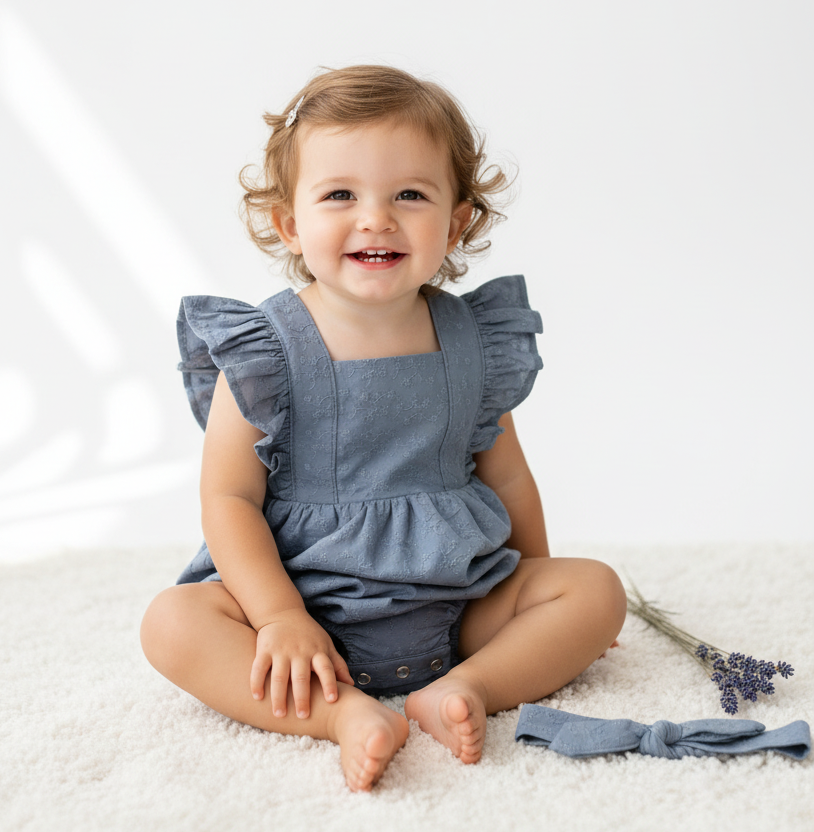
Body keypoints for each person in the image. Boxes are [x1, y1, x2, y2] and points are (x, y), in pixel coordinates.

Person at [140, 65, 626, 792]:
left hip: (457, 607)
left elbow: (508, 475)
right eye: (340, 195)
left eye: (409, 194)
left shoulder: (472, 341)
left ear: (456, 222)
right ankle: (340, 716)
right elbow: (229, 501)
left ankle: (467, 688)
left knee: (595, 590)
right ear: (289, 224)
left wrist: (535, 593)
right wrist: (276, 618)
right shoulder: (265, 351)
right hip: (308, 615)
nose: (376, 217)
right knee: (172, 623)